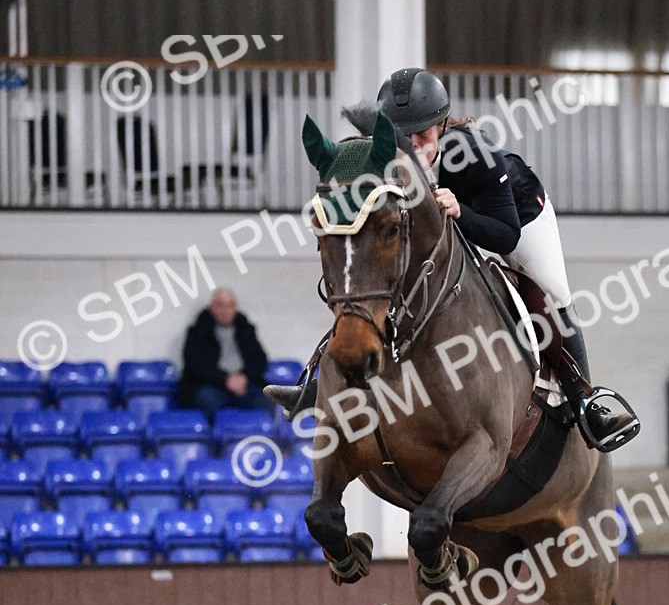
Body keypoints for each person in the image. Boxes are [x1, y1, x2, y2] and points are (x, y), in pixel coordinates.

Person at [273, 68, 639, 452]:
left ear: (442, 126)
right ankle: (318, 384)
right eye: (404, 138)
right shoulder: (383, 154)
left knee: (553, 291)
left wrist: (461, 211)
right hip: (447, 222)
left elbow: (505, 235)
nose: (414, 146)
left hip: (515, 214)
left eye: (423, 136)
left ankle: (584, 399)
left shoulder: (475, 154)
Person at [178, 287, 270, 420]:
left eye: (230, 305)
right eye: (220, 305)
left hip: (244, 383)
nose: (225, 310)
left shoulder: (246, 330)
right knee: (207, 399)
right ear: (212, 307)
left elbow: (260, 360)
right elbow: (195, 364)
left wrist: (244, 378)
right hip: (212, 385)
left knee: (266, 398)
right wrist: (225, 380)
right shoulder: (197, 331)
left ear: (235, 308)